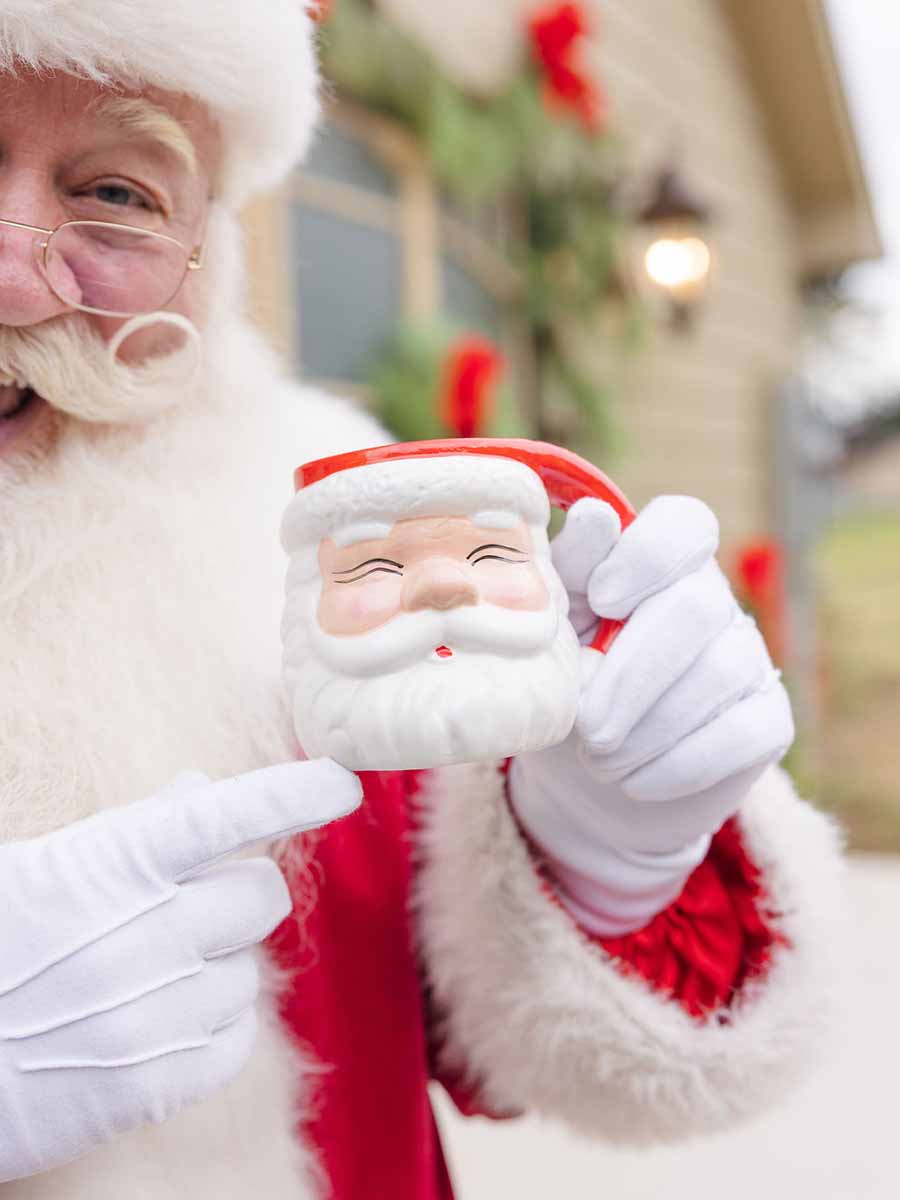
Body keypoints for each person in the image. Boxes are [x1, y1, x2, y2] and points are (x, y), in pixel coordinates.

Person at [0, 3, 843, 1198]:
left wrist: (599, 854)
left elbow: (467, 1033)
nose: (18, 279)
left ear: (212, 247)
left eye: (118, 194)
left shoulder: (327, 544)